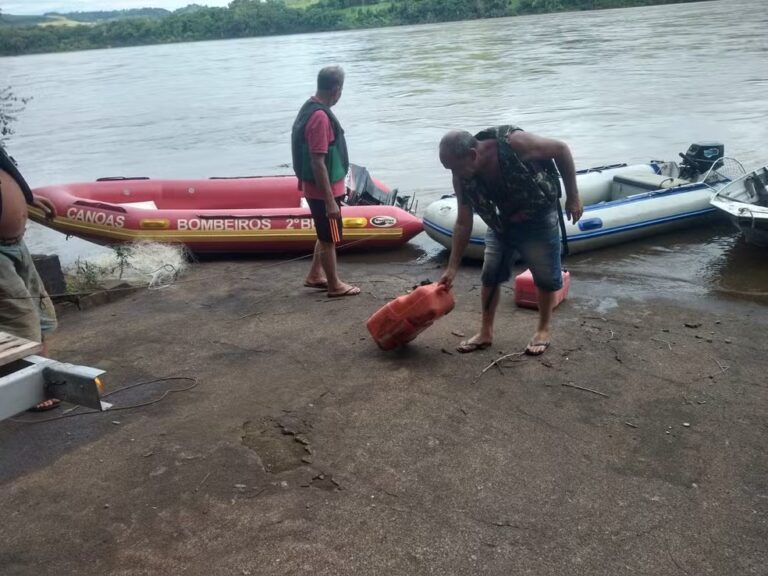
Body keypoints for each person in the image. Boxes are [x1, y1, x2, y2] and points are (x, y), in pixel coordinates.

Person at [437, 125, 583, 356]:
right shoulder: (461, 175)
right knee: (490, 274)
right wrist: (452, 268)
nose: (453, 173)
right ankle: (485, 332)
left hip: (537, 216)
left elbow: (561, 149)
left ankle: (543, 329)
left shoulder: (515, 143)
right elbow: (463, 222)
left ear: (472, 155)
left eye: (454, 167)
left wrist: (573, 197)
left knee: (545, 275)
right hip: (501, 222)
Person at [290, 65, 360, 298]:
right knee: (330, 237)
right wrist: (330, 201)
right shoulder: (319, 116)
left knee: (323, 233)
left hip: (320, 189)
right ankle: (335, 285)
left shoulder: (310, 107)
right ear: (336, 89)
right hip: (322, 192)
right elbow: (317, 161)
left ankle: (315, 275)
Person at [0, 145, 59, 410]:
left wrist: (27, 196)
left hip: (17, 243)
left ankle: (42, 376)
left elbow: (6, 167)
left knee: (41, 312)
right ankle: (29, 389)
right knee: (20, 318)